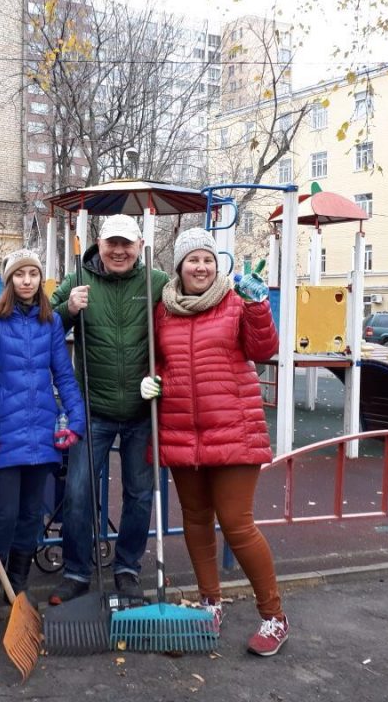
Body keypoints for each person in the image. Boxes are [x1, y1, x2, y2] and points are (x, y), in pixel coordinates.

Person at [139, 227, 289, 656]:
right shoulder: (163, 310)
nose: (200, 267)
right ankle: (210, 603)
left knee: (237, 524)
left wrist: (260, 306)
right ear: (179, 267)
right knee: (196, 521)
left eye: (207, 259)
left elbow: (263, 350)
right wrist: (150, 382)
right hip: (183, 431)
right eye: (192, 260)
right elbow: (158, 360)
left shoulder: (236, 302)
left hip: (234, 429)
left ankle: (274, 616)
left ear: (216, 264)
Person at [47, 214, 169, 603]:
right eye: (111, 243)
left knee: (139, 493)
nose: (118, 251)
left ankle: (128, 568)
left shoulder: (157, 283)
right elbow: (43, 322)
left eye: (126, 244)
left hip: (140, 409)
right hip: (93, 408)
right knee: (79, 492)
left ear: (138, 248)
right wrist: (68, 308)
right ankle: (76, 570)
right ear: (99, 245)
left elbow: (183, 323)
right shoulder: (78, 280)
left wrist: (161, 378)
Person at [0, 249, 87, 618]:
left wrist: (76, 420)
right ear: (9, 280)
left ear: (40, 280)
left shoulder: (49, 323)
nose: (27, 281)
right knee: (4, 513)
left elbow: (63, 375)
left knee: (32, 513)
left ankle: (18, 582)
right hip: (3, 432)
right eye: (20, 274)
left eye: (34, 273)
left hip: (41, 431)